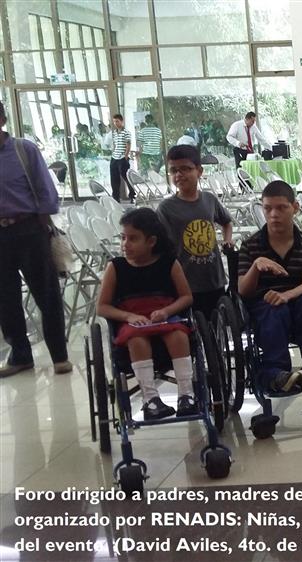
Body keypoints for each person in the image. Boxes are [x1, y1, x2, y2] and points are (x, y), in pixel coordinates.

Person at [96, 208, 197, 420]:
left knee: (179, 335)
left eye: (133, 239)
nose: (125, 244)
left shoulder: (169, 263)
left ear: (151, 241)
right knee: (137, 340)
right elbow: (102, 307)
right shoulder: (116, 267)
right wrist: (128, 317)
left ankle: (186, 395)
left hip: (165, 317)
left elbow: (186, 297)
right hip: (133, 321)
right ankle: (150, 399)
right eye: (123, 238)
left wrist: (167, 311)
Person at [0, 100, 72, 377]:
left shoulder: (23, 150)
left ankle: (59, 356)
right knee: (6, 299)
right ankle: (20, 356)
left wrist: (43, 223)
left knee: (47, 294)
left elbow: (45, 189)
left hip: (29, 230)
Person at [237, 181, 302, 393]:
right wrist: (256, 266)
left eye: (281, 208)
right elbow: (243, 290)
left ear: (295, 208)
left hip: (298, 300)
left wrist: (286, 295)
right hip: (264, 305)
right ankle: (275, 373)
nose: (274, 214)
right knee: (272, 307)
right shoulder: (250, 245)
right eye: (268, 208)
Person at [156, 145, 234, 318]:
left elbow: (226, 222)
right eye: (173, 170)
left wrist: (227, 240)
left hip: (214, 276)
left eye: (185, 169)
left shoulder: (209, 200)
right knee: (194, 328)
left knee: (217, 324)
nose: (179, 175)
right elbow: (159, 243)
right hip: (185, 281)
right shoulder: (166, 208)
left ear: (199, 171)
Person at [109, 113, 133, 202]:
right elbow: (115, 144)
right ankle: (116, 197)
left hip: (122, 157)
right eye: (114, 122)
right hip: (114, 157)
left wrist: (126, 156)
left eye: (117, 121)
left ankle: (132, 195)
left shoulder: (126, 132)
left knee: (127, 177)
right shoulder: (114, 133)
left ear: (122, 121)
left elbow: (128, 145)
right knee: (114, 178)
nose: (115, 123)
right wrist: (113, 152)